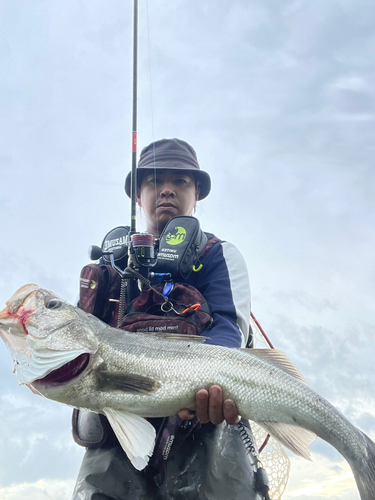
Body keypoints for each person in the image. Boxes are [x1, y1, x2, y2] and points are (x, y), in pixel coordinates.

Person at [72, 139, 263, 500]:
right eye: (154, 181)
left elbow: (229, 326)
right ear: (138, 197)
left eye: (182, 181)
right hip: (117, 430)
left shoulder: (219, 254)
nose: (168, 189)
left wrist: (206, 382)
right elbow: (77, 341)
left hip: (207, 427)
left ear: (197, 195)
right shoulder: (109, 267)